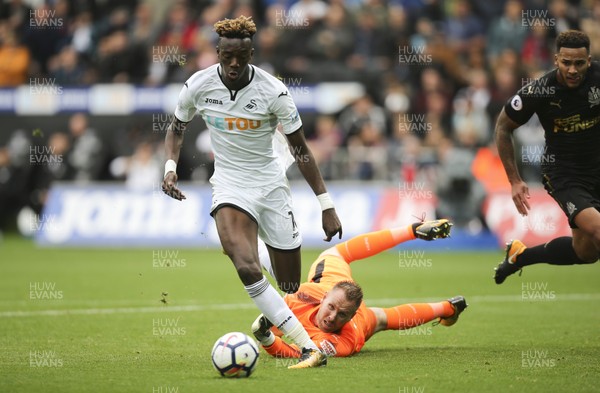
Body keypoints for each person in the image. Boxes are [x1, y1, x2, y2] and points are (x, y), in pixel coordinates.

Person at [161, 15, 342, 369]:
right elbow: (176, 129)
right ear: (217, 52)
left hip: (271, 185)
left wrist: (326, 204)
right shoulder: (197, 85)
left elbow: (301, 150)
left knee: (289, 285)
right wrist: (170, 168)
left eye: (240, 58)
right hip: (229, 184)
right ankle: (309, 347)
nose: (232, 64)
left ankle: (269, 285)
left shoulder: (274, 91)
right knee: (243, 263)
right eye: (226, 56)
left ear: (251, 54)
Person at [251, 219, 468, 358]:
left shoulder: (343, 340)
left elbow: (296, 352)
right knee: (334, 253)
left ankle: (448, 308)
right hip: (329, 279)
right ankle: (448, 306)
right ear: (325, 298)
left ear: (352, 315)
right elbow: (276, 324)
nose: (331, 317)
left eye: (342, 314)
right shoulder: (304, 295)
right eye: (331, 307)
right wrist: (410, 231)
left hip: (358, 322)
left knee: (383, 319)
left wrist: (268, 341)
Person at [493, 30, 600, 284]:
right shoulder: (541, 90)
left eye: (579, 63)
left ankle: (520, 257)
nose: (572, 69)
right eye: (566, 62)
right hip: (564, 174)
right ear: (556, 60)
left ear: (589, 60)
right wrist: (514, 180)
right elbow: (502, 127)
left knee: (586, 252)